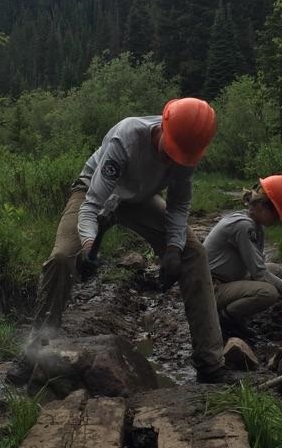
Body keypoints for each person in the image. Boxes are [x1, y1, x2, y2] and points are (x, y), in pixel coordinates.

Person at [29, 97, 234, 383]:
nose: (172, 160)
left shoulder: (187, 151)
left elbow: (178, 207)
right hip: (93, 191)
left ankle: (211, 364)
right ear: (163, 125)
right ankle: (33, 353)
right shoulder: (126, 137)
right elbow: (92, 204)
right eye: (169, 152)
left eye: (179, 157)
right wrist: (88, 245)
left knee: (193, 253)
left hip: (140, 198)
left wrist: (173, 249)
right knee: (63, 257)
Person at [203, 175, 282, 342]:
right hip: (208, 289)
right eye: (277, 214)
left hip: (222, 280)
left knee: (273, 269)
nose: (278, 220)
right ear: (264, 206)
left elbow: (261, 268)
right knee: (267, 292)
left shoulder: (252, 223)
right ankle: (225, 320)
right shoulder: (244, 226)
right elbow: (259, 274)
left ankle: (231, 315)